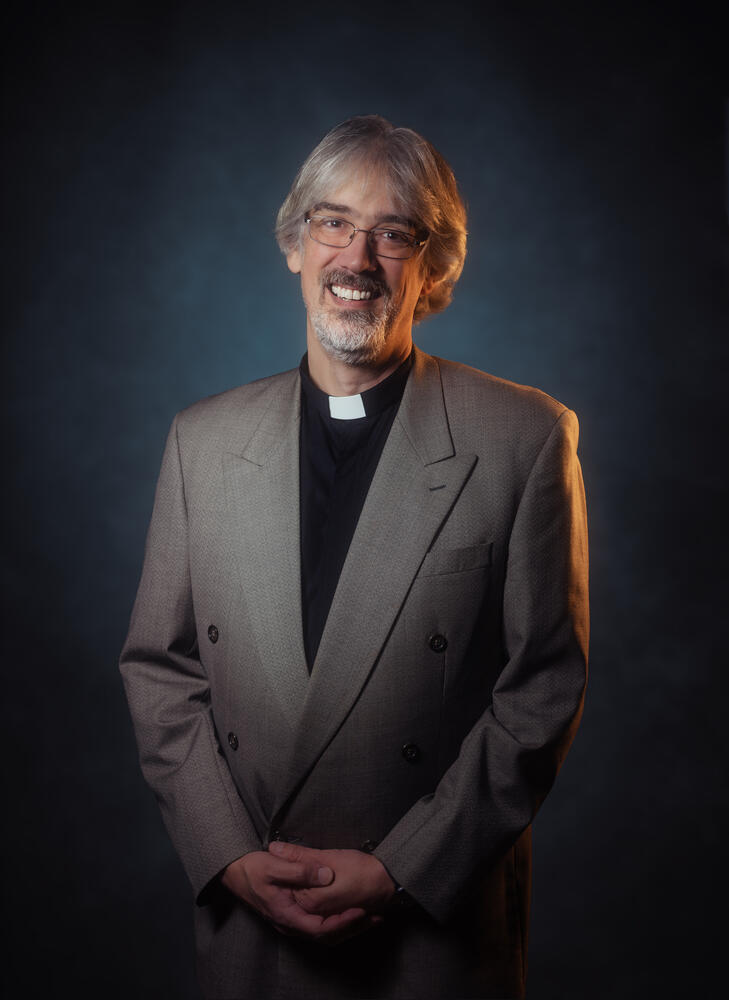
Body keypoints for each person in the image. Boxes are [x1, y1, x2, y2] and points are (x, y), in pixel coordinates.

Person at [120, 114, 589, 1000]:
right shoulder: (201, 442)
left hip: (429, 934)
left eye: (393, 232)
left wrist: (403, 867)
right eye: (332, 222)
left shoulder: (524, 437)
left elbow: (541, 692)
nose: (356, 257)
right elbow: (158, 666)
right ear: (295, 246)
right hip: (253, 913)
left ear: (434, 267)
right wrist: (225, 853)